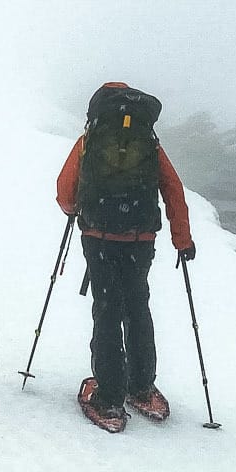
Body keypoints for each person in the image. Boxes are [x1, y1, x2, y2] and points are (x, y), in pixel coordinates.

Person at [55, 82, 195, 432]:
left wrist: (77, 209)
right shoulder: (147, 139)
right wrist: (182, 239)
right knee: (137, 306)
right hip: (140, 238)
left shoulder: (93, 136)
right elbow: (173, 188)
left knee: (106, 311)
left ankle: (109, 397)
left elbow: (64, 188)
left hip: (99, 236)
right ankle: (141, 387)